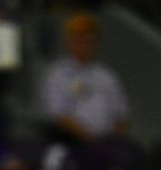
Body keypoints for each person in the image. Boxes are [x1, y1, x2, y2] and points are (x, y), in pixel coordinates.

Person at [40, 13, 130, 143]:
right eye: (78, 39)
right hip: (73, 141)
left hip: (107, 142)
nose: (84, 44)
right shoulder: (58, 74)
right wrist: (90, 140)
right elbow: (59, 116)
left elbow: (120, 114)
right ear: (69, 43)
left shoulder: (106, 75)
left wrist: (114, 140)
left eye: (89, 40)